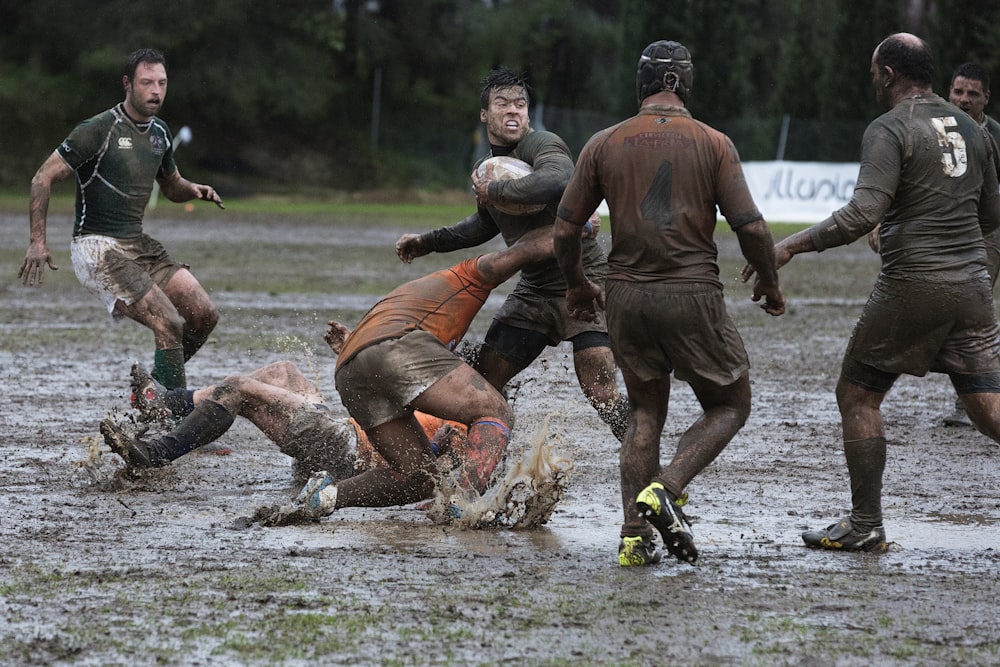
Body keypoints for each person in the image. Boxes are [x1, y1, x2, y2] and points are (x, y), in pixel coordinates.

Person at [755, 34, 1000, 552]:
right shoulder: (974, 131)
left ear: (888, 74)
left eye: (873, 72)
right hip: (975, 284)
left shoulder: (890, 127)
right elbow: (991, 216)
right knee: (987, 409)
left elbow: (861, 213)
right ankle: (865, 522)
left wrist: (790, 248)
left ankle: (866, 524)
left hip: (915, 284)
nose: (871, 80)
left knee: (857, 393)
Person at [553, 40, 785, 567]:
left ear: (642, 85)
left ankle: (634, 538)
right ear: (685, 83)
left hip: (625, 296)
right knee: (730, 403)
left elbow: (565, 230)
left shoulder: (603, 143)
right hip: (691, 292)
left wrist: (575, 285)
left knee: (643, 411)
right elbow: (751, 226)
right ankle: (667, 488)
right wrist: (769, 281)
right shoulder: (713, 142)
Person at [394, 67, 629, 441]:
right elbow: (486, 223)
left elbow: (559, 179)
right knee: (485, 384)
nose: (514, 111)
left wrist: (498, 191)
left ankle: (645, 454)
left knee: (599, 390)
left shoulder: (542, 144)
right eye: (502, 104)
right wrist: (429, 241)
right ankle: (486, 461)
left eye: (520, 104)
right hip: (534, 291)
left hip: (584, 281)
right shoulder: (486, 169)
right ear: (485, 115)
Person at [274, 227, 557, 523]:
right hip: (393, 347)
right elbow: (521, 252)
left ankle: (325, 496)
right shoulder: (468, 274)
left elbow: (377, 345)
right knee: (496, 410)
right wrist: (576, 226)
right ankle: (462, 503)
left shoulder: (416, 299)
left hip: (350, 368)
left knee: (420, 479)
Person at [18, 48, 224, 391]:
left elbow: (171, 186)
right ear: (128, 84)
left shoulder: (160, 133)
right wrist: (37, 241)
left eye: (162, 83)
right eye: (147, 83)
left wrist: (194, 190)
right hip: (97, 247)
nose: (156, 90)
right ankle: (171, 420)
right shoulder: (97, 129)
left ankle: (153, 392)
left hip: (138, 245)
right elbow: (42, 177)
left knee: (203, 314)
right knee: (168, 322)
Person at [101, 351, 466, 483]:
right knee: (283, 370)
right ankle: (168, 404)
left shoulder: (467, 425)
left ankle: (156, 452)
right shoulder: (439, 401)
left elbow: (432, 474)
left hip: (345, 450)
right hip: (341, 433)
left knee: (239, 389)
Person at [940, 62, 1000, 427]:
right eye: (958, 92)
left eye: (972, 94)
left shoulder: (993, 135)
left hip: (989, 232)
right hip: (949, 232)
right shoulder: (935, 130)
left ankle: (972, 402)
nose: (963, 100)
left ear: (986, 99)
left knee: (972, 313)